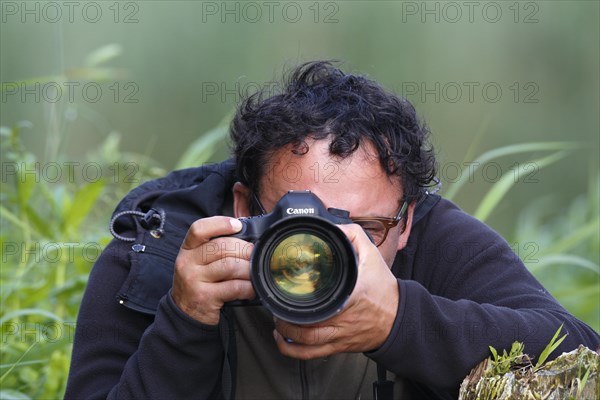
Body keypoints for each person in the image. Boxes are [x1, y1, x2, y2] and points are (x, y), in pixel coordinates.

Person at [65, 61, 599, 399]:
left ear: (407, 219)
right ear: (243, 203)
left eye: (365, 227)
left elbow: (579, 354)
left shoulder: (437, 240)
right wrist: (185, 320)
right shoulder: (164, 249)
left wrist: (401, 321)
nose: (328, 247)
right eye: (304, 221)